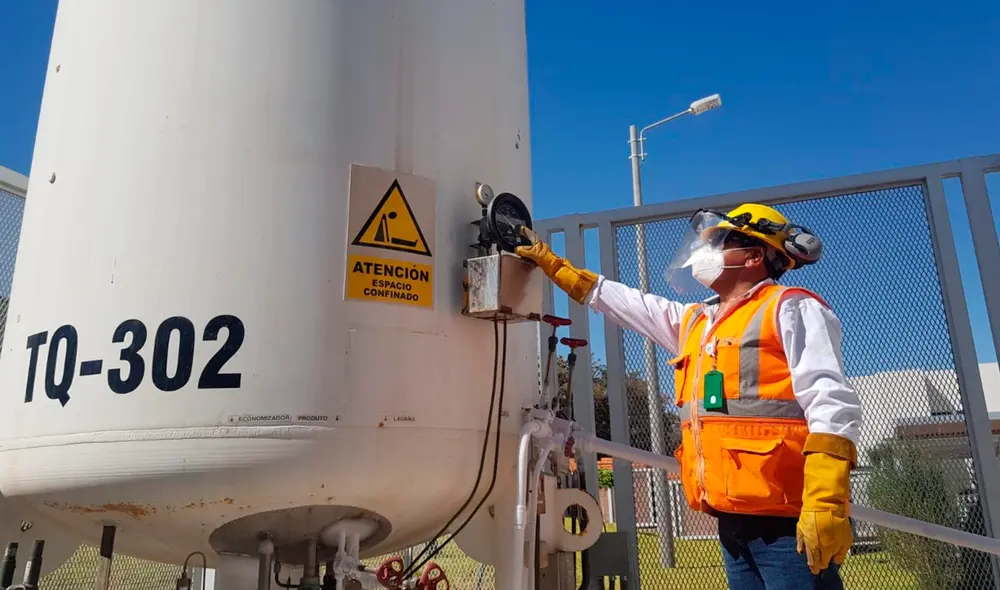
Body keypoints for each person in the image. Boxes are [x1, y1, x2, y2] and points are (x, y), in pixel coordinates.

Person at [516, 203, 863, 590]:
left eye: (719, 241)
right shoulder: (697, 322)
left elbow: (831, 401)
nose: (706, 251)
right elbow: (625, 302)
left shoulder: (792, 307)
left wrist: (825, 500)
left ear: (754, 255)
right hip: (731, 518)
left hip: (787, 522)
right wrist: (553, 265)